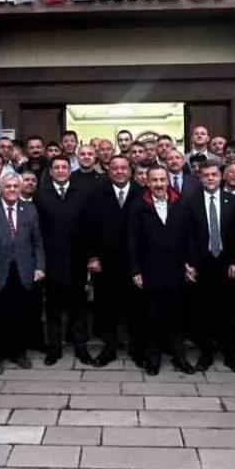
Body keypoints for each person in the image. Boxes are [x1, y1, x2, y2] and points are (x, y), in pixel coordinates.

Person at [0, 172, 45, 375]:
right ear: (0, 188)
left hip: (24, 270)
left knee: (21, 315)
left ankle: (19, 353)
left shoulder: (30, 209)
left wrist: (39, 267)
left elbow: (37, 241)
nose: (13, 190)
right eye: (8, 186)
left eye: (16, 186)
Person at [127, 167, 189, 375]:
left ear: (168, 181)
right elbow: (132, 240)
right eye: (154, 180)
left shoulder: (180, 203)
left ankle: (180, 358)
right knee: (151, 317)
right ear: (147, 182)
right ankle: (153, 359)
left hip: (176, 269)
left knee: (177, 318)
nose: (159, 184)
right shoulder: (138, 206)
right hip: (149, 270)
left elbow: (188, 236)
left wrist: (189, 263)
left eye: (162, 179)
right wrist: (135, 270)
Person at [185, 159, 235, 373]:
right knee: (203, 311)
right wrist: (190, 263)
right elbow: (187, 235)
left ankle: (230, 355)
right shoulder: (190, 201)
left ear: (221, 177)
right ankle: (206, 354)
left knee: (227, 311)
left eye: (214, 174)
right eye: (206, 175)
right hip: (202, 263)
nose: (210, 178)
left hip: (226, 263)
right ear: (199, 178)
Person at [34, 154, 94, 366]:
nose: (60, 171)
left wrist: (90, 257)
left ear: (70, 171)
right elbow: (37, 231)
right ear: (50, 172)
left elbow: (90, 228)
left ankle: (81, 347)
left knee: (79, 307)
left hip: (77, 260)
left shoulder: (82, 194)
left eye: (64, 167)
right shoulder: (41, 195)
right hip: (51, 261)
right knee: (53, 308)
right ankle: (54, 349)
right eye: (56, 167)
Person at [89, 155, 138, 367]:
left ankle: (137, 348)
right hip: (105, 261)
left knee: (135, 305)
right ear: (109, 171)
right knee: (107, 306)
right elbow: (88, 226)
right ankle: (109, 347)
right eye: (115, 168)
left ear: (130, 171)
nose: (119, 171)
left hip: (134, 261)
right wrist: (92, 256)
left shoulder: (141, 192)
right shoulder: (97, 193)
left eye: (123, 168)